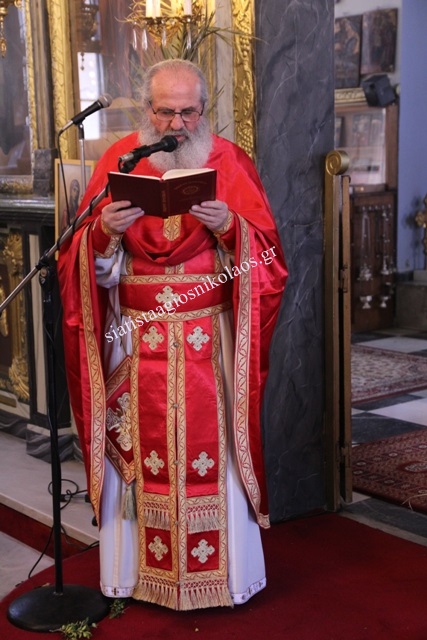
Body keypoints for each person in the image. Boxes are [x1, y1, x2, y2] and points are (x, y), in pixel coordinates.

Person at [58, 59, 287, 611]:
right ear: (147, 110)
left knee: (213, 458)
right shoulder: (119, 161)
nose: (178, 124)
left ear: (203, 111)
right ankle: (136, 576)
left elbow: (270, 262)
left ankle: (224, 579)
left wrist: (229, 227)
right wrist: (102, 235)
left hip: (209, 343)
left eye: (189, 112)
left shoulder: (230, 162)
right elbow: (77, 264)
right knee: (138, 458)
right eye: (166, 112)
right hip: (136, 342)